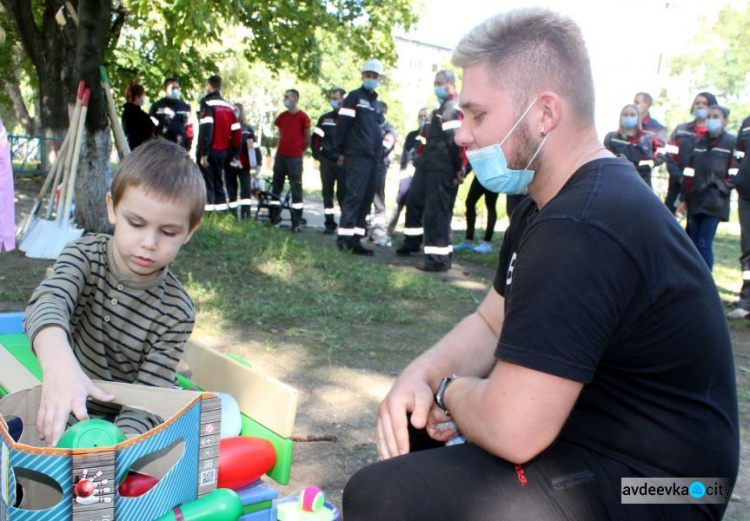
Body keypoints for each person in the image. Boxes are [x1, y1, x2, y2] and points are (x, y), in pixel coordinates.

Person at [344, 8, 738, 521]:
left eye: (478, 114)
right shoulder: (549, 202)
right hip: (609, 449)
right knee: (417, 435)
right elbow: (490, 321)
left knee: (383, 498)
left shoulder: (583, 225)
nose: (462, 133)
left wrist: (447, 390)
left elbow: (513, 427)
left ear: (544, 113)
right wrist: (420, 376)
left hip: (672, 490)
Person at [23, 139, 205, 447]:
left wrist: (118, 449)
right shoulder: (83, 255)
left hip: (128, 425)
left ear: (189, 231)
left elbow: (148, 398)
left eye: (168, 232)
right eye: (136, 223)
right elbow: (48, 303)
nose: (149, 242)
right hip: (70, 402)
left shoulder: (177, 311)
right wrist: (59, 364)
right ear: (112, 208)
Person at [397, 70, 466, 272]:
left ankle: (439, 259)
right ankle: (418, 247)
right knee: (417, 202)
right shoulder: (440, 110)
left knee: (437, 213)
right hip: (428, 166)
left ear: (451, 85)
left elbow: (457, 141)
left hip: (442, 167)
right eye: (435, 83)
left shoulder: (452, 110)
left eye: (440, 83)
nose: (436, 86)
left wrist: (459, 168)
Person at [676, 105, 737, 271]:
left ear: (724, 121)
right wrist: (684, 198)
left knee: (704, 243)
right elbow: (689, 171)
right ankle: (693, 279)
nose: (711, 120)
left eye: (715, 117)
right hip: (696, 198)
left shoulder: (731, 142)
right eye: (709, 116)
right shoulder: (698, 142)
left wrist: (723, 188)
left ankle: (705, 282)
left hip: (715, 201)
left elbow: (735, 172)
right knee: (692, 243)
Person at [334, 59, 385, 256]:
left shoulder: (375, 102)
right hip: (356, 156)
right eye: (368, 75)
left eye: (374, 76)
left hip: (373, 159)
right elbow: (343, 125)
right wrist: (340, 152)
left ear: (379, 79)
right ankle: (344, 238)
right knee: (354, 196)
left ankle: (356, 239)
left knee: (365, 199)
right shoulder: (354, 97)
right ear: (362, 76)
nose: (371, 79)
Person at [665, 91, 718, 214]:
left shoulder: (714, 134)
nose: (700, 106)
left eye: (704, 103)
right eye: (697, 103)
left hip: (701, 188)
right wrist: (679, 177)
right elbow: (669, 155)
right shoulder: (681, 130)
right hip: (677, 184)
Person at [197, 75, 241, 213]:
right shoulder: (228, 107)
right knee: (218, 182)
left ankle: (209, 215)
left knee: (207, 183)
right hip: (223, 152)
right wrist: (235, 153)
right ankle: (222, 213)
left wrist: (204, 153)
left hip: (209, 150)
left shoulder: (207, 103)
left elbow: (206, 129)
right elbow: (236, 132)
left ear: (209, 86)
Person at [271, 89, 311, 232]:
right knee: (277, 185)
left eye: (287, 97)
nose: (285, 99)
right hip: (281, 156)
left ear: (295, 98)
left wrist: (301, 151)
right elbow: (281, 135)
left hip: (294, 157)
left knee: (296, 187)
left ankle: (296, 221)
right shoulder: (282, 117)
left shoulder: (303, 117)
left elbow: (307, 137)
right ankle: (274, 217)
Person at [386, 108, 427, 240]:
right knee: (400, 202)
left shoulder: (431, 136)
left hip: (423, 174)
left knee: (419, 206)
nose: (423, 119)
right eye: (420, 116)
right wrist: (403, 170)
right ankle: (388, 232)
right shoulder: (412, 135)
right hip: (408, 172)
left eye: (425, 116)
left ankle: (420, 238)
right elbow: (405, 154)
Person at [312, 88, 347, 234]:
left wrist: (345, 156)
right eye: (331, 98)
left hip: (343, 162)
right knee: (327, 194)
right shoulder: (325, 118)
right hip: (327, 162)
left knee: (343, 195)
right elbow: (315, 139)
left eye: (336, 98)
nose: (333, 101)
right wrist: (318, 156)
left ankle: (345, 225)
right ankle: (329, 224)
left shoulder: (349, 119)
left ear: (343, 100)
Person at [603, 104, 656, 186]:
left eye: (632, 115)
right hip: (616, 182)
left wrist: (654, 161)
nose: (629, 117)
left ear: (638, 117)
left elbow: (659, 155)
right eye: (625, 115)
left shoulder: (648, 138)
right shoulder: (611, 138)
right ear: (621, 117)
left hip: (642, 184)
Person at [226, 103, 262, 219]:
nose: (234, 112)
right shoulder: (227, 127)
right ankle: (232, 215)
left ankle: (246, 215)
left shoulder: (247, 130)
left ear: (241, 112)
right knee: (231, 190)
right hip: (230, 165)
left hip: (244, 165)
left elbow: (252, 148)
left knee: (245, 191)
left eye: (236, 110)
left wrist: (255, 164)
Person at [370, 101, 398, 245]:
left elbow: (384, 148)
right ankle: (363, 227)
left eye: (380, 111)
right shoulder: (370, 126)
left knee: (378, 197)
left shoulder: (389, 130)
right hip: (367, 164)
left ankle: (379, 230)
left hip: (380, 165)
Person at [730, 114, 750, 319]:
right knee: (748, 250)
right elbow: (738, 155)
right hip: (747, 196)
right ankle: (746, 301)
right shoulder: (746, 123)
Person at [453, 168, 499, 253]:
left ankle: (487, 242)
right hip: (481, 174)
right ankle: (468, 240)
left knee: (490, 206)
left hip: (495, 175)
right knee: (469, 202)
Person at [149, 77, 193, 150]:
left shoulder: (185, 107)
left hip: (180, 147)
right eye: (173, 88)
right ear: (165, 89)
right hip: (161, 148)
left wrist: (188, 146)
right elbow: (151, 129)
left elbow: (189, 128)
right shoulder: (157, 106)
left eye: (177, 88)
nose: (175, 90)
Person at [121, 83, 155, 151]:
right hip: (142, 149)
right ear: (137, 97)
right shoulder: (140, 115)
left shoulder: (126, 113)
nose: (144, 98)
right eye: (142, 96)